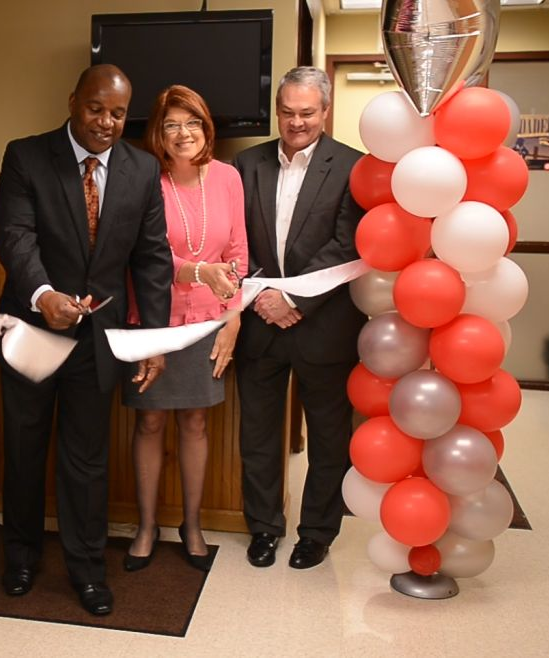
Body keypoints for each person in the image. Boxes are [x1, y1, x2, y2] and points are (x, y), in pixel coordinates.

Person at [0, 64, 173, 616]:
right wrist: (43, 293)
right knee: (25, 453)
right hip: (32, 332)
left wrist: (154, 341)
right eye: (97, 109)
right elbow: (14, 234)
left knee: (86, 461)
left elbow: (152, 257)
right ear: (73, 102)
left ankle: (88, 570)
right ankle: (20, 557)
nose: (107, 122)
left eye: (118, 113)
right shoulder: (27, 155)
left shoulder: (141, 169)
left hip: (97, 340)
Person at [232, 66, 366, 570]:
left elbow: (347, 242)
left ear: (325, 112)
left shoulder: (354, 167)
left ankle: (317, 532)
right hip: (259, 323)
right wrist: (266, 295)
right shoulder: (247, 163)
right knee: (259, 436)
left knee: (330, 437)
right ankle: (264, 527)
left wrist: (296, 300)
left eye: (306, 113)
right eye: (286, 112)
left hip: (325, 326)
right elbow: (235, 238)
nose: (295, 123)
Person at [122, 85, 248, 574]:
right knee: (149, 422)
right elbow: (142, 255)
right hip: (150, 318)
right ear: (158, 131)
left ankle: (191, 525)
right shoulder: (142, 178)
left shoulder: (229, 179)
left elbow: (237, 252)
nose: (183, 133)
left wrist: (232, 317)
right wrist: (198, 271)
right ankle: (146, 526)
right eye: (172, 124)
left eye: (192, 123)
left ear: (206, 128)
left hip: (207, 323)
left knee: (196, 422)